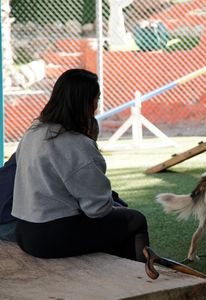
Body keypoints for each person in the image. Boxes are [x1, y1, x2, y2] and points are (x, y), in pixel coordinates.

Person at [12, 69, 149, 262]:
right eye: (96, 98)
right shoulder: (75, 143)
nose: (97, 105)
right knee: (135, 220)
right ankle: (138, 279)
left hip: (24, 230)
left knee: (113, 220)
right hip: (49, 236)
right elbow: (98, 209)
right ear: (86, 102)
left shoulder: (34, 131)